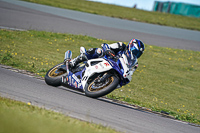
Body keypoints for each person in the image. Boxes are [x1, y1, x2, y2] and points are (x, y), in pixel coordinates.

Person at [69, 38, 145, 68]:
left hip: (112, 68)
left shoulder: (134, 63)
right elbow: (105, 45)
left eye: (138, 53)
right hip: (103, 59)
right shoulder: (121, 46)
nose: (135, 54)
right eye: (135, 51)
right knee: (99, 51)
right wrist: (109, 51)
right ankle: (75, 61)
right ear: (130, 46)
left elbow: (129, 74)